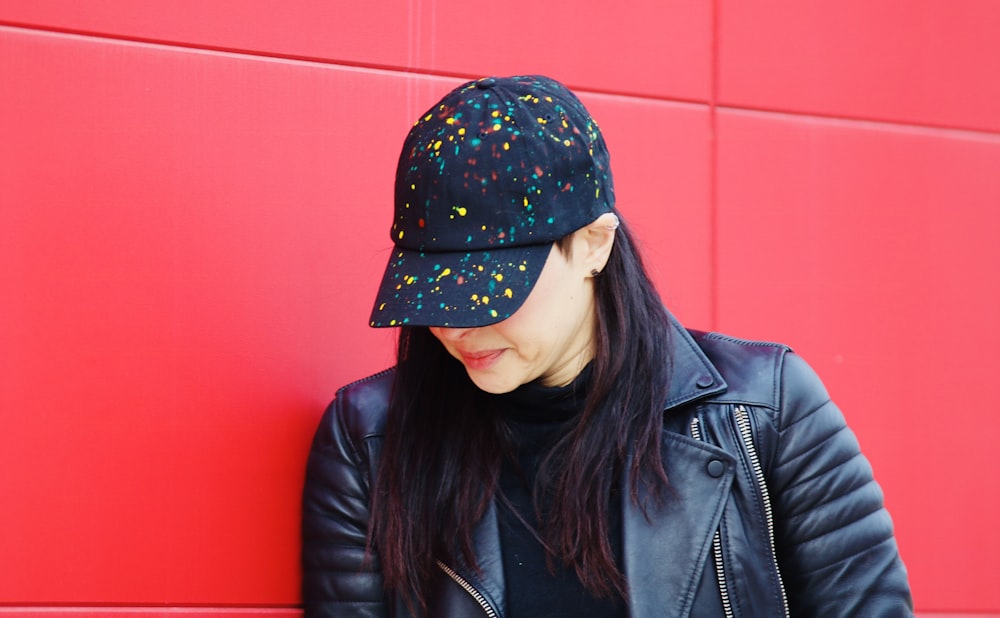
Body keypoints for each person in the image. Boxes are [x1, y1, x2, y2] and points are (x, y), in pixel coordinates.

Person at [301, 75, 912, 617]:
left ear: (593, 244)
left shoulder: (767, 409)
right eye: (434, 292)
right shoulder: (370, 441)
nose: (456, 327)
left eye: (490, 292)